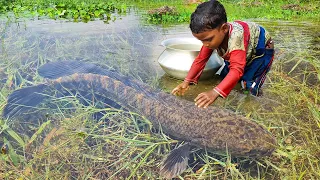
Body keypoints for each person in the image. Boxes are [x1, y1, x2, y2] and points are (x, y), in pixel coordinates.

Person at [171, 0, 275, 108]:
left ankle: (251, 106)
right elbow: (200, 60)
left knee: (249, 84)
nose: (205, 45)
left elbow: (237, 69)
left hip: (260, 50)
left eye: (208, 40)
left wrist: (215, 92)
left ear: (224, 29)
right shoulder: (212, 39)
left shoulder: (236, 38)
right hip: (240, 48)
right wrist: (186, 82)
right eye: (201, 41)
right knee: (224, 77)